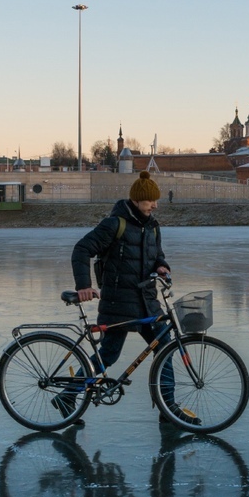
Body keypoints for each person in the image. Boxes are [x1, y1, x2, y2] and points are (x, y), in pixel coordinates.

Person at [60, 171, 198, 427]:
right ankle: (68, 396)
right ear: (137, 200)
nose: (154, 205)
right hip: (119, 303)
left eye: (155, 201)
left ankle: (168, 408)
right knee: (109, 355)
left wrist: (161, 266)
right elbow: (82, 249)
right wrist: (84, 286)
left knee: (165, 349)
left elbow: (157, 255)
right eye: (149, 201)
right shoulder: (115, 224)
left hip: (147, 300)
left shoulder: (153, 227)